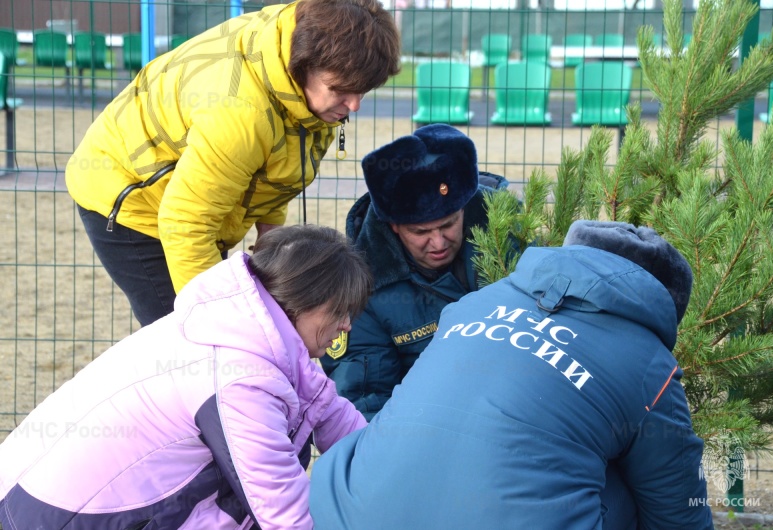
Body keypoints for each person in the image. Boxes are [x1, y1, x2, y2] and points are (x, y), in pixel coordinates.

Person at [310, 220, 713, 529]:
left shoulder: (478, 302)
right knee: (627, 485)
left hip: (348, 512)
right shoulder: (648, 362)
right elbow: (677, 505)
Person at [0, 225, 372, 530]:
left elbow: (328, 409)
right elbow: (285, 516)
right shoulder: (239, 377)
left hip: (33, 489)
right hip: (52, 516)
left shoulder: (247, 327)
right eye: (338, 309)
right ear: (300, 299)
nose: (346, 324)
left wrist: (391, 460)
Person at [65, 0, 400, 327]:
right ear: (304, 63)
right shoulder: (240, 113)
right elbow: (186, 224)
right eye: (341, 89)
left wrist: (272, 228)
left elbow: (279, 152)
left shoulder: (299, 53)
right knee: (190, 341)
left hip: (194, 199)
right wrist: (218, 330)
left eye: (363, 90)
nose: (354, 105)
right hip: (133, 195)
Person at [320, 123, 508, 420]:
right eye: (420, 231)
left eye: (448, 224)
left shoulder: (507, 234)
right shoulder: (363, 291)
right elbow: (365, 402)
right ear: (393, 226)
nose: (438, 242)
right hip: (429, 425)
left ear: (465, 208)